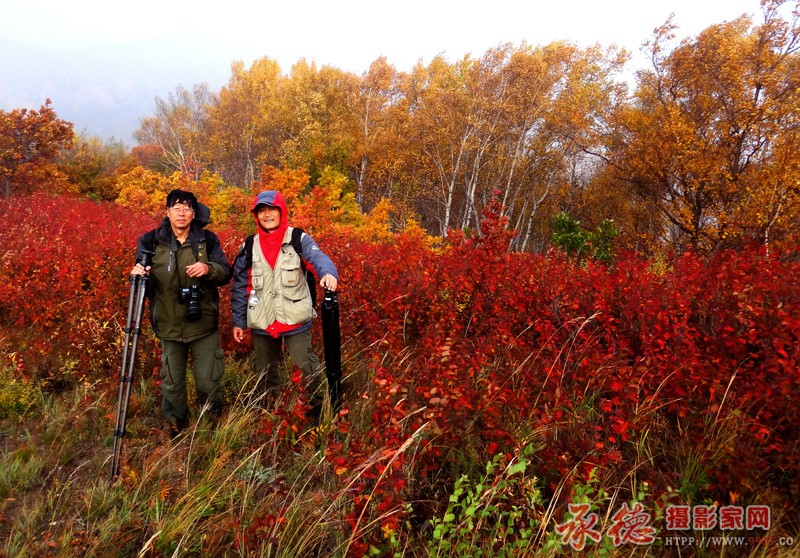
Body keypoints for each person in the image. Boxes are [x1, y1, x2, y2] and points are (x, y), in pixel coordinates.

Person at [132, 189, 232, 437]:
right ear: (167, 212)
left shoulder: (207, 240)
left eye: (187, 208)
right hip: (168, 323)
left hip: (203, 323)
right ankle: (176, 426)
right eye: (176, 208)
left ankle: (212, 425)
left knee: (208, 379)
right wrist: (139, 276)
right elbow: (144, 285)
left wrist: (208, 268)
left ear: (194, 213)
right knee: (172, 381)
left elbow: (226, 273)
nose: (181, 213)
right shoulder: (150, 241)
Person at [231, 190, 338, 418]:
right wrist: (239, 321)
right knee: (264, 373)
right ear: (256, 215)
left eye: (272, 209)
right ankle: (270, 416)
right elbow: (241, 286)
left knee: (306, 368)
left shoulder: (298, 238)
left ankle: (318, 414)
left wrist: (328, 273)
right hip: (262, 321)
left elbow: (318, 259)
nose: (267, 215)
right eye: (262, 210)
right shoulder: (249, 246)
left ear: (281, 212)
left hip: (295, 320)